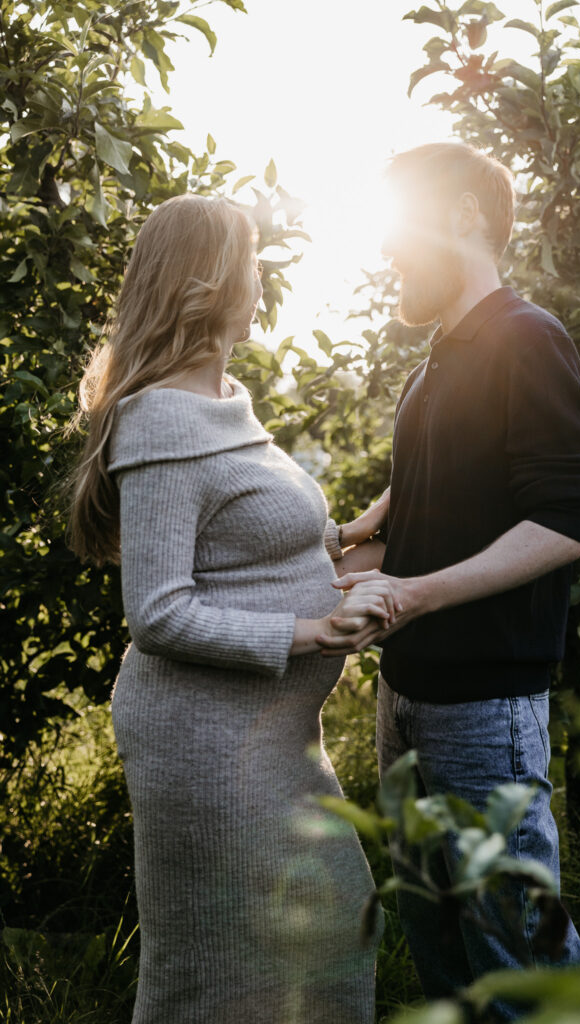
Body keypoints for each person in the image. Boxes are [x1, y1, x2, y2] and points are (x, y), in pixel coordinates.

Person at [66, 194, 393, 1024]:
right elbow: (159, 612)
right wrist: (310, 631)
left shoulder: (223, 405)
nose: (260, 277)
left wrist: (364, 529)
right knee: (220, 969)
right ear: (208, 281)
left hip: (266, 735)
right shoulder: (163, 420)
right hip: (205, 743)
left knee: (326, 932)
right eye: (251, 259)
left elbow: (263, 544)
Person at [317, 143, 580, 1019]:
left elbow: (559, 524)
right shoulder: (438, 359)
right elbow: (453, 475)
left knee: (515, 953)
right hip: (405, 696)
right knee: (440, 943)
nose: (389, 251)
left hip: (485, 709)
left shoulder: (527, 337)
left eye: (402, 227)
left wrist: (410, 595)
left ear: (465, 216)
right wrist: (367, 527)